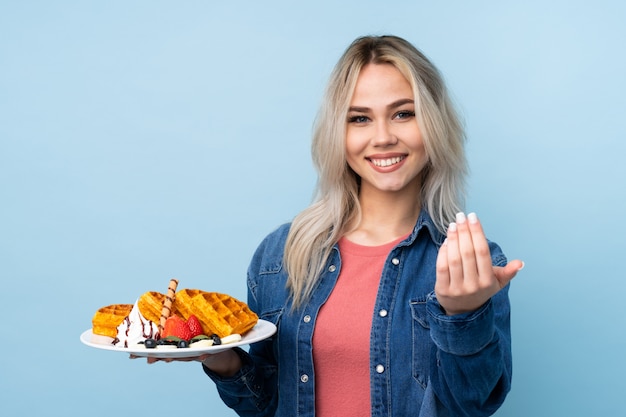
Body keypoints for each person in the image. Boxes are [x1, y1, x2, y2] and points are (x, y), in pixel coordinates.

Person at [157, 35, 523, 417]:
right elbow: (266, 405)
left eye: (403, 113)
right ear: (338, 132)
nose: (383, 137)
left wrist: (462, 315)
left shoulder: (471, 264)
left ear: (433, 123)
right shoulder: (280, 256)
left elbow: (472, 405)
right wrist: (222, 360)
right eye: (359, 118)